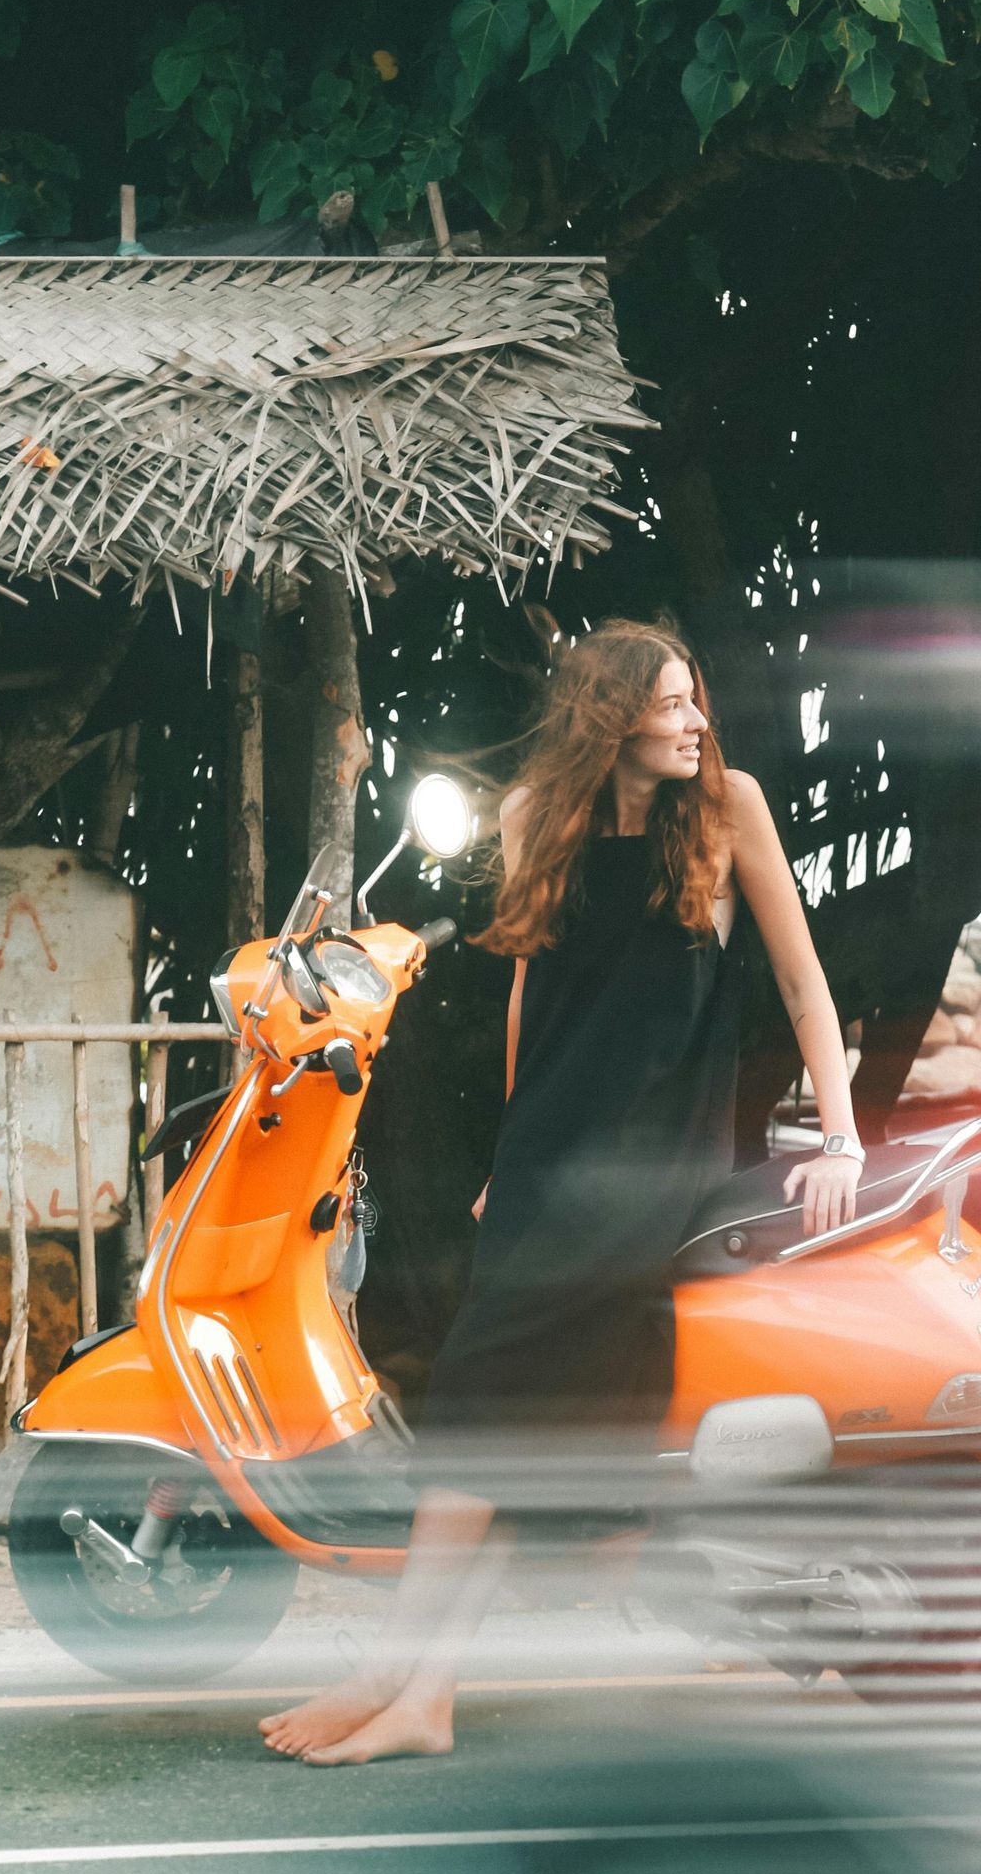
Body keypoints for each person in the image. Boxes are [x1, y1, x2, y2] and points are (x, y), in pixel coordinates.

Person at [262, 619, 863, 1765]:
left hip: (649, 1165)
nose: (696, 723)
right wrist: (506, 1159)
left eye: (697, 703)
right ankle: (418, 1694)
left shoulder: (730, 807)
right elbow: (534, 1002)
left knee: (484, 1405)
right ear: (613, 715)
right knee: (507, 1426)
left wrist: (840, 1136)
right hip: (549, 1160)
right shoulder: (541, 815)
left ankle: (399, 1677)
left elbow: (802, 980)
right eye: (674, 704)